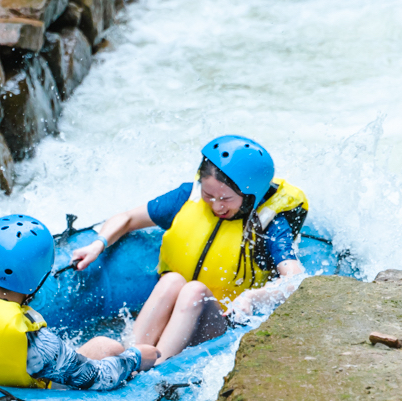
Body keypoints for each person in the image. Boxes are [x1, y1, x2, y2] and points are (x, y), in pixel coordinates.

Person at [70, 135, 308, 360]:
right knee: (172, 280)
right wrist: (98, 244)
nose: (216, 206)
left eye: (226, 199)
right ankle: (131, 356)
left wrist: (252, 297)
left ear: (251, 196)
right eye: (209, 194)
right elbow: (128, 218)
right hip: (175, 312)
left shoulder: (269, 225)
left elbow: (295, 279)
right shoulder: (187, 197)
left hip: (223, 322)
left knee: (194, 290)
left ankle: (157, 366)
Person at [0, 214, 159, 390]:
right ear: (38, 278)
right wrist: (135, 356)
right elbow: (98, 378)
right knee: (106, 346)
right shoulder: (35, 342)